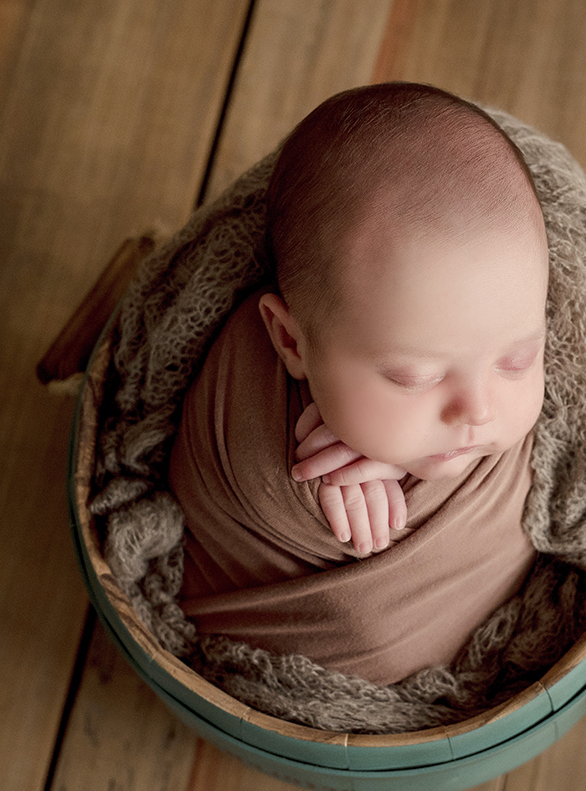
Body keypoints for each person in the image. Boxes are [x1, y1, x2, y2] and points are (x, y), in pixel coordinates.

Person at [167, 82, 549, 685]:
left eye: (518, 360)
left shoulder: (493, 368)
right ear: (291, 342)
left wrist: (401, 462)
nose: (476, 410)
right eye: (412, 376)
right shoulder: (241, 391)